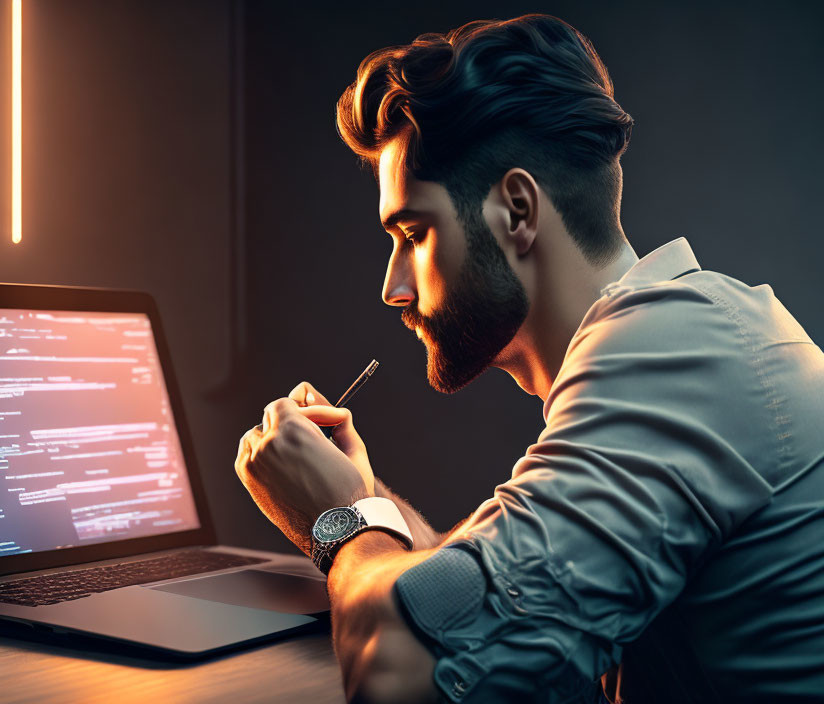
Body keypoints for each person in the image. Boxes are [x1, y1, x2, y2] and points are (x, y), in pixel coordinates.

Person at [234, 13, 824, 703]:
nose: (393, 287)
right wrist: (367, 500)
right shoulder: (682, 337)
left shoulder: (678, 353)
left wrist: (337, 521)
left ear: (516, 211)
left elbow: (403, 676)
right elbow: (482, 607)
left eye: (413, 233)